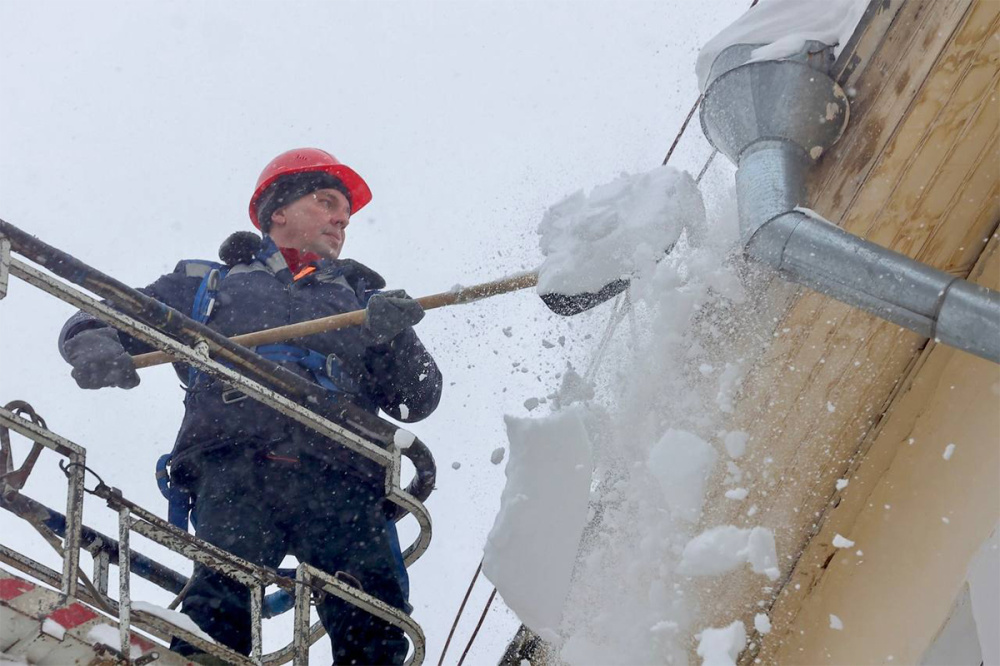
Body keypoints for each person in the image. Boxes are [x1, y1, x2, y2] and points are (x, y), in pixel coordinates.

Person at [58, 147, 442, 665]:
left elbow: (418, 400)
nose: (340, 221)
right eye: (326, 202)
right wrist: (95, 343)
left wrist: (394, 337)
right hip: (236, 463)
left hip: (343, 475)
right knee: (220, 602)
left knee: (374, 618)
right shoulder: (209, 283)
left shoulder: (363, 301)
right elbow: (103, 313)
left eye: (346, 216)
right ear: (277, 211)